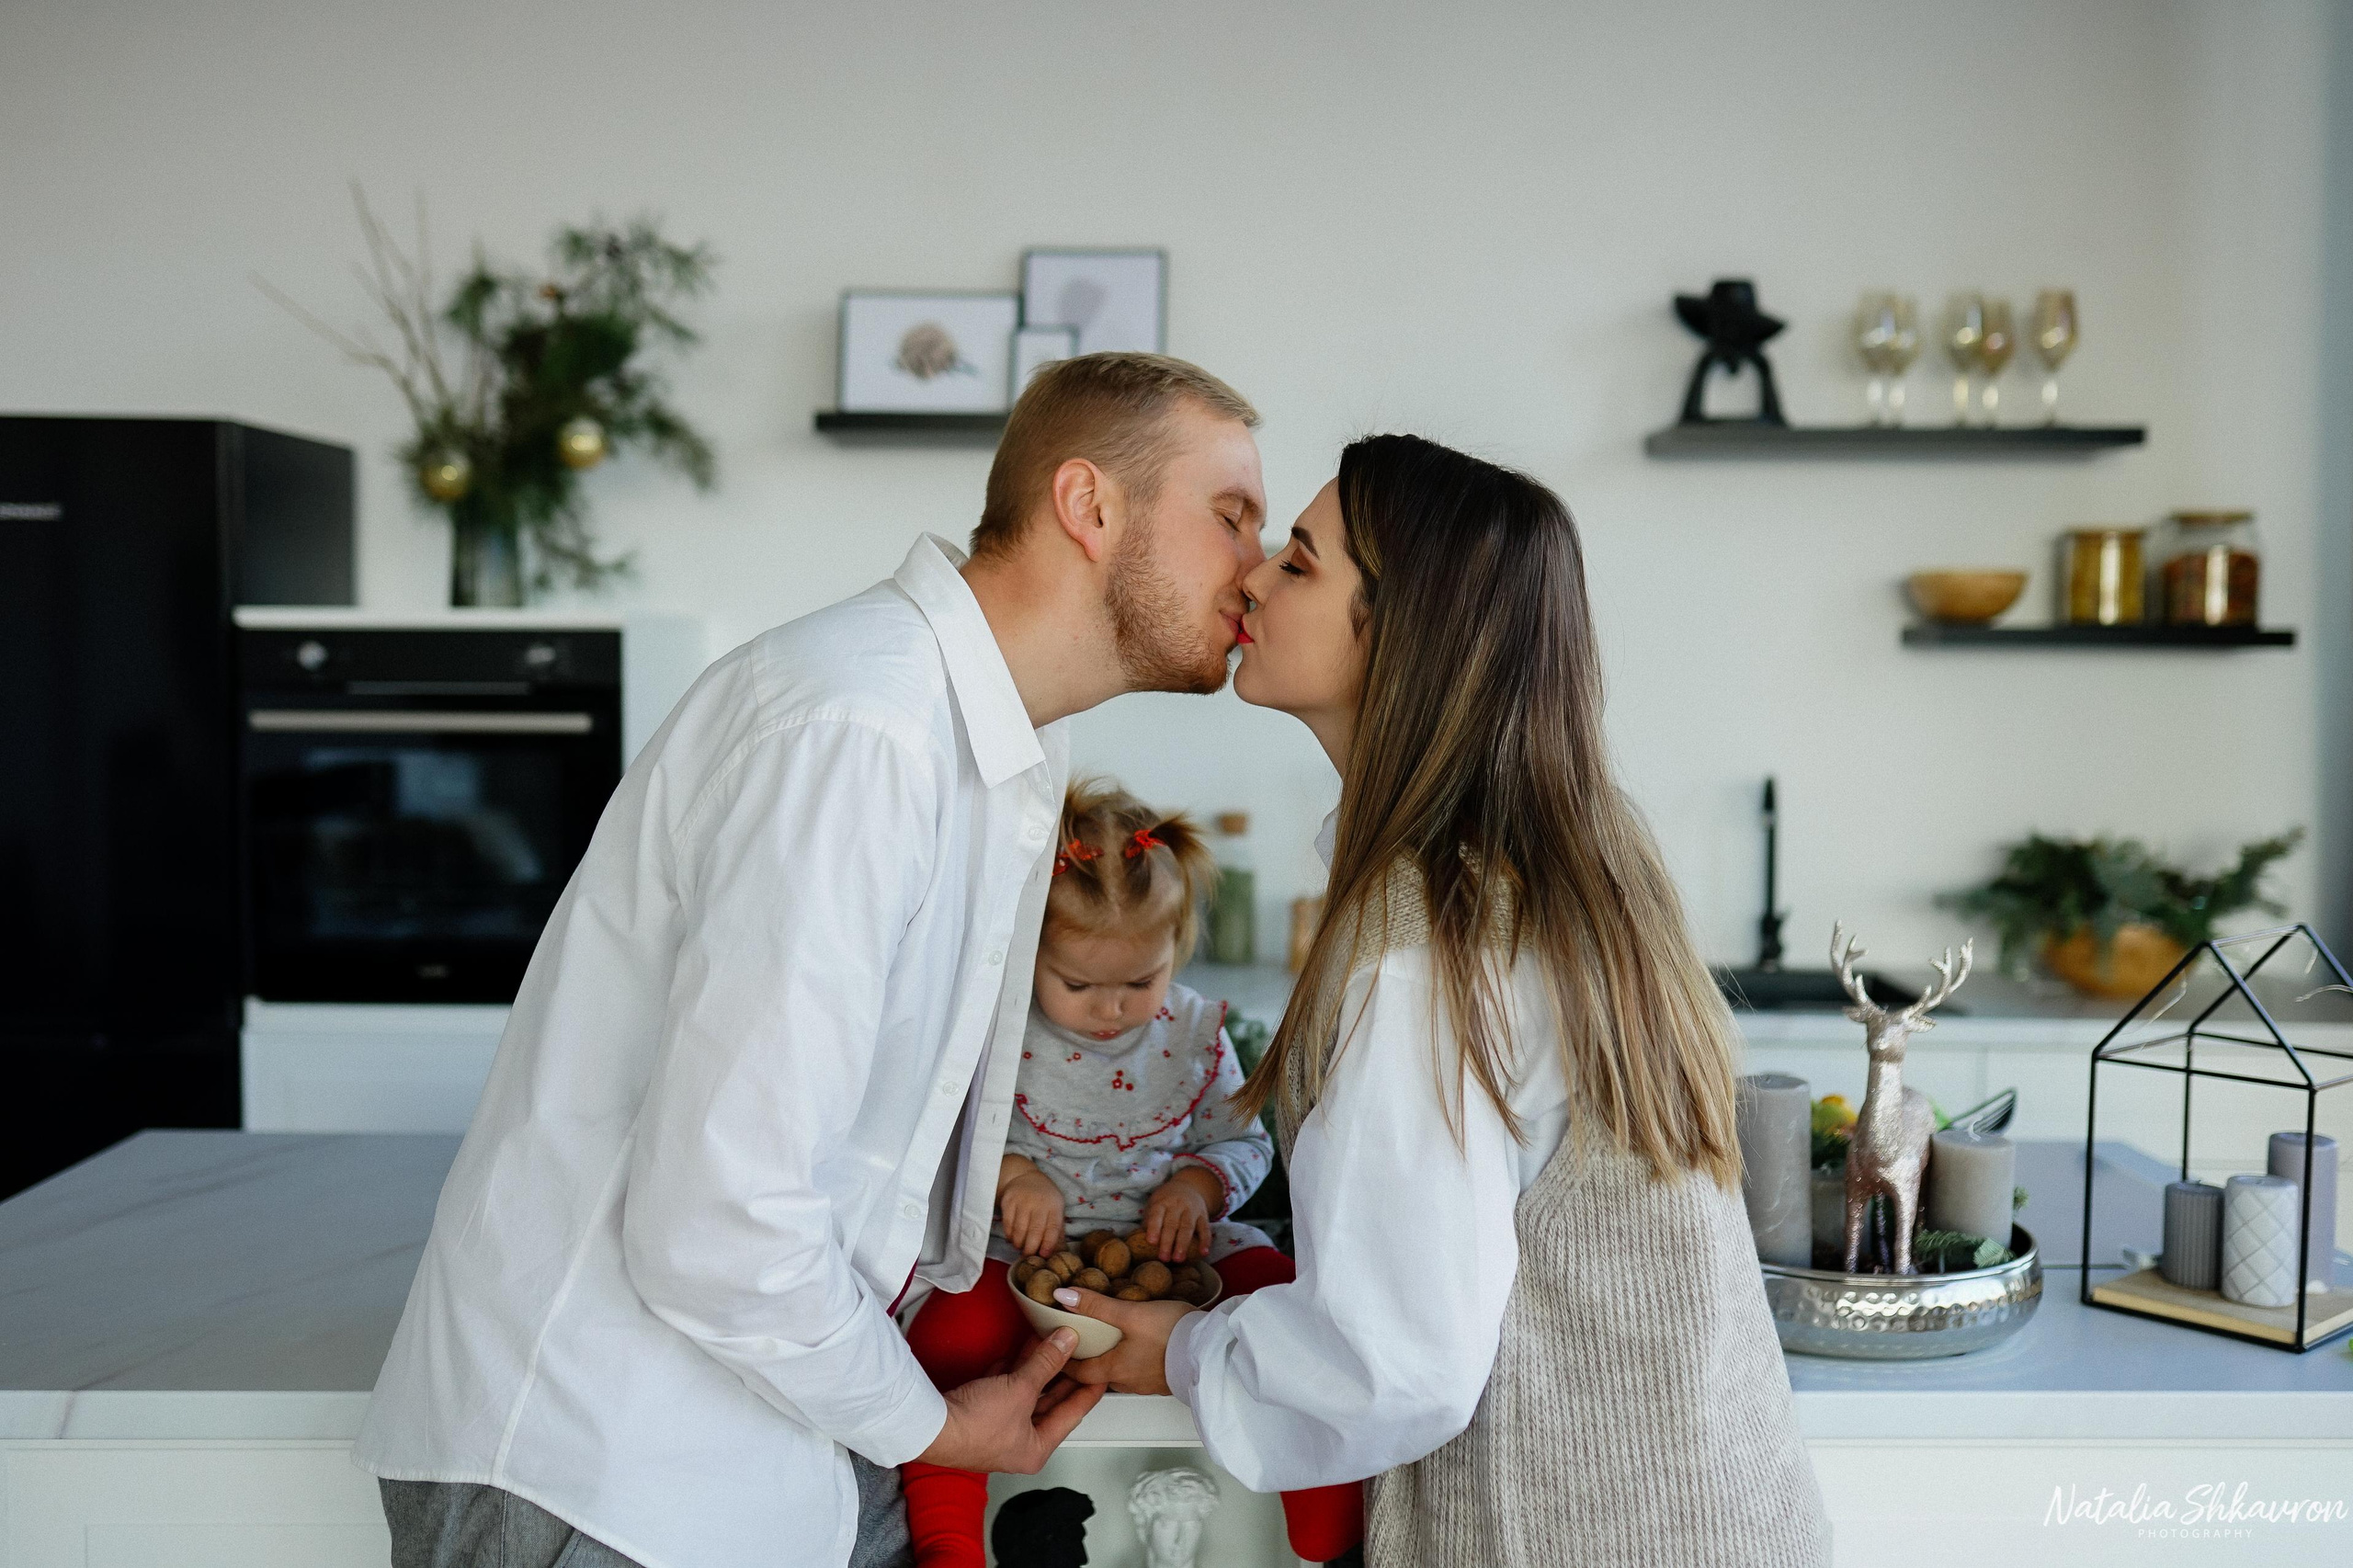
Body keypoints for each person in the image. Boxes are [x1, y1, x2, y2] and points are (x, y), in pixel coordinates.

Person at [351, 353, 1268, 1568]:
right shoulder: (861, 731)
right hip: (601, 1477)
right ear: (1089, 505)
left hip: (738, 1458)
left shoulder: (984, 740)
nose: (1254, 564)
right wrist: (924, 1418)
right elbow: (719, 1220)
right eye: (1232, 515)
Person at [1055, 435, 1832, 1566]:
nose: (1253, 576)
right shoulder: (1574, 847)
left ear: (1401, 634)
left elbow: (1396, 1360)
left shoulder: (1423, 947)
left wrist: (1186, 1348)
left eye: (1303, 563)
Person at [895, 780, 1361, 1567]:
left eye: (1139, 982)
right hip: (1021, 1262)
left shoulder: (1193, 1034)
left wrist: (1198, 1186)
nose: (1110, 1009)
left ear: (1174, 951)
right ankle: (946, 1544)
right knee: (949, 1336)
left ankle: (1333, 1525)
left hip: (1175, 1263)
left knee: (1286, 1304)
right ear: (1027, 953)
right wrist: (1010, 1173)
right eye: (1078, 985)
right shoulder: (998, 1032)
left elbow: (1245, 1144)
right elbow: (936, 1139)